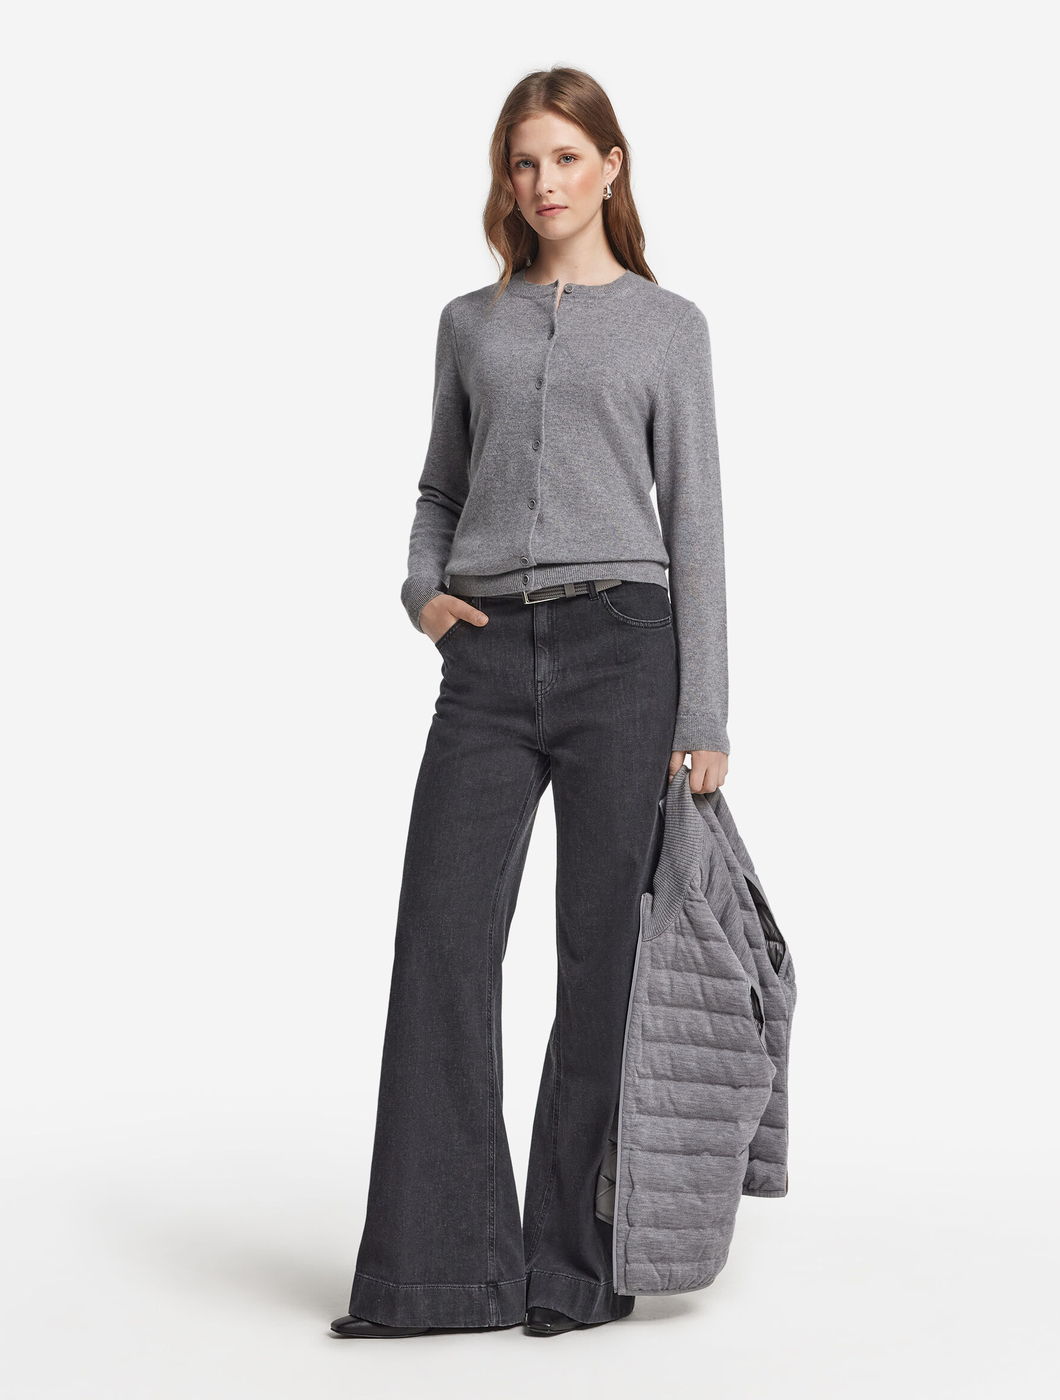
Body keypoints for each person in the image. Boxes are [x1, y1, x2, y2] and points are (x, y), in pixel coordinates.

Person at [331, 65, 730, 1340]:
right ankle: (438, 1273)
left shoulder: (669, 327)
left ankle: (574, 1265)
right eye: (522, 161)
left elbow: (696, 522)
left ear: (610, 166)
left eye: (564, 157)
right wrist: (422, 591)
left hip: (626, 650)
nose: (542, 181)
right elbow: (439, 489)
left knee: (601, 956)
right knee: (441, 944)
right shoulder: (472, 323)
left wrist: (704, 713)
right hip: (489, 658)